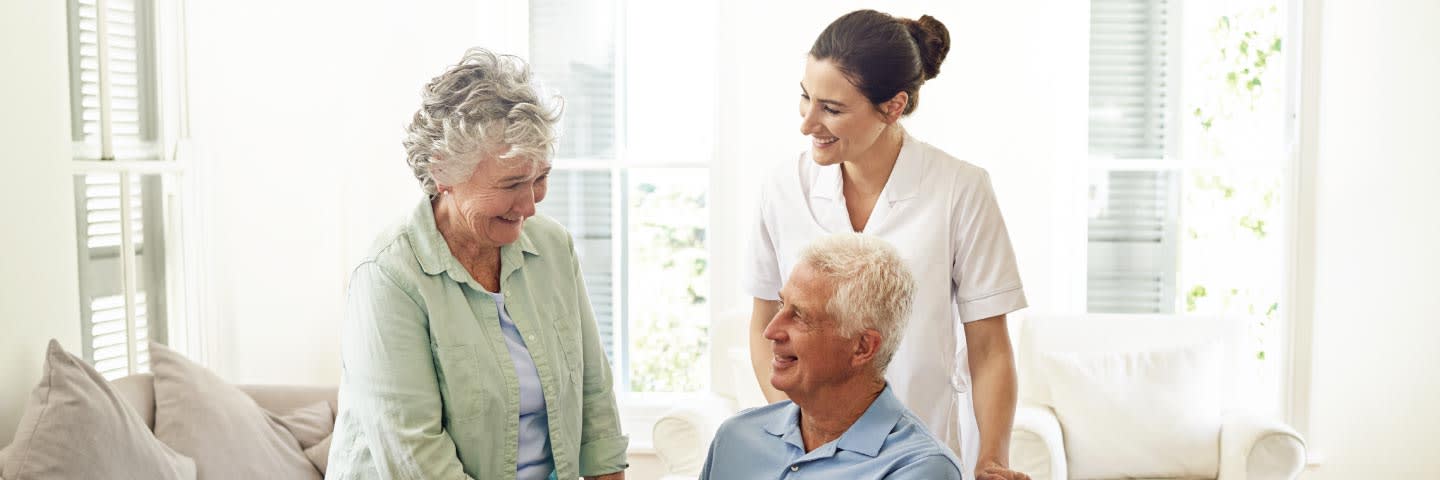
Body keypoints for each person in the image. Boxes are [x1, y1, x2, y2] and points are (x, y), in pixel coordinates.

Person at [745, 9, 1031, 480]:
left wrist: (993, 458)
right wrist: (802, 436)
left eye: (832, 109)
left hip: (922, 454)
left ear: (893, 106)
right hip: (804, 459)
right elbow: (763, 328)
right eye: (805, 98)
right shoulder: (780, 188)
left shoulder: (960, 188)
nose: (808, 123)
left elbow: (989, 348)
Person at [326, 48, 628, 480]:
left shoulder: (553, 248)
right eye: (511, 184)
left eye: (540, 178)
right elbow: (417, 460)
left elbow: (594, 401)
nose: (529, 206)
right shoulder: (388, 277)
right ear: (443, 172)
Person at [704, 233, 962, 479]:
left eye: (800, 315)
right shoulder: (735, 437)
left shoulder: (922, 469)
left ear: (862, 347)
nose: (771, 331)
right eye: (782, 305)